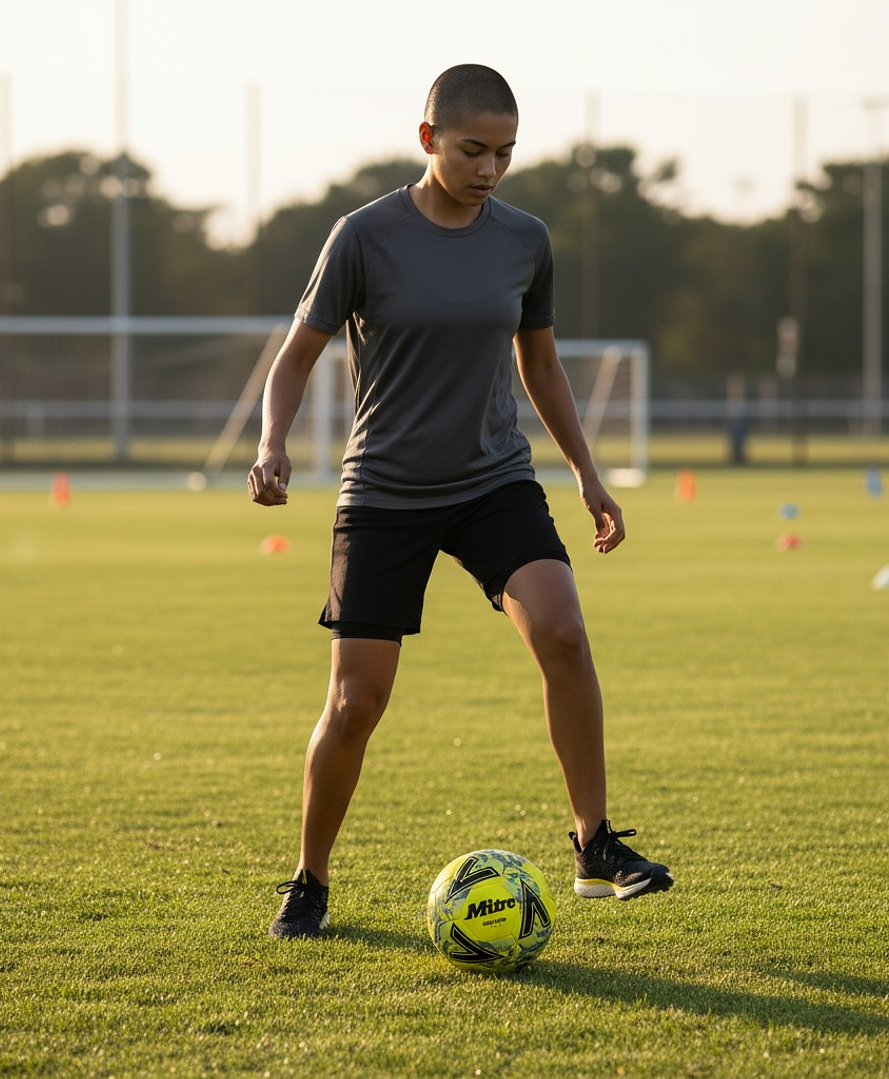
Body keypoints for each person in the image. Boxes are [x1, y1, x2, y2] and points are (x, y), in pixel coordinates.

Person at [249, 64, 672, 939]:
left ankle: (594, 842)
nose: (489, 168)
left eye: (505, 153)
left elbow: (541, 363)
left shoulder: (525, 239)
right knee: (356, 701)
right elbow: (295, 357)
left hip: (492, 481)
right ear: (428, 139)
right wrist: (271, 444)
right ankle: (310, 877)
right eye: (473, 149)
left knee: (561, 628)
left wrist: (588, 473)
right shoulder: (362, 237)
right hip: (385, 491)